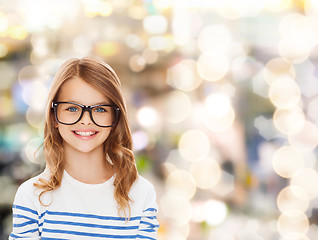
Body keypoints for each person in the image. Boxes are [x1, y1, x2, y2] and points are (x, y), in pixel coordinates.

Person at [9, 57, 159, 240]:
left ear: (115, 118)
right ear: (54, 117)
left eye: (100, 109)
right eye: (72, 109)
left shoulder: (141, 193)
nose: (86, 120)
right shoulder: (32, 196)